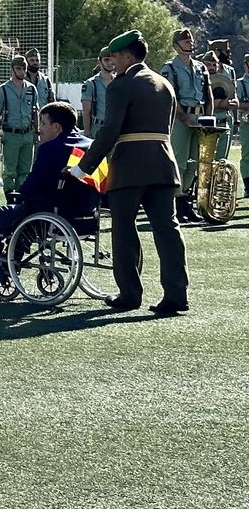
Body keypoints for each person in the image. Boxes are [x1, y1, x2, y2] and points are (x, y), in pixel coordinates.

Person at [68, 30, 189, 316]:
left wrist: (82, 167)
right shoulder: (164, 84)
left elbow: (110, 131)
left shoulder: (121, 86)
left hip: (130, 166)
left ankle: (130, 293)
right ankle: (176, 295)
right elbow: (167, 128)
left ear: (128, 56)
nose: (113, 62)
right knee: (168, 229)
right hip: (162, 164)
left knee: (123, 229)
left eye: (116, 56)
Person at [0, 102, 96, 278]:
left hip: (54, 213)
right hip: (87, 214)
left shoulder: (49, 148)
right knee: (21, 214)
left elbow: (31, 185)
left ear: (56, 127)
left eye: (43, 124)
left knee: (5, 212)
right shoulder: (90, 146)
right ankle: (0, 259)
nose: (39, 129)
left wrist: (21, 194)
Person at [160, 28, 211, 223]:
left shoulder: (200, 67)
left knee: (194, 163)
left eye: (190, 39)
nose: (189, 42)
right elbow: (171, 97)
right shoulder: (170, 68)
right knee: (179, 161)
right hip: (181, 119)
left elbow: (208, 95)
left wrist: (209, 118)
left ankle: (186, 201)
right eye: (184, 40)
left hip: (200, 118)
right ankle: (176, 203)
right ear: (175, 45)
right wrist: (184, 118)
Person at [0, 55, 40, 196]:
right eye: (18, 68)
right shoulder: (3, 90)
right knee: (10, 169)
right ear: (12, 70)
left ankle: (21, 196)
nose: (21, 71)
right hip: (11, 134)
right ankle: (9, 195)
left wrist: (36, 132)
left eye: (23, 68)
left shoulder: (31, 89)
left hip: (27, 133)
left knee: (25, 169)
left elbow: (35, 112)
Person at [82, 50, 116, 136]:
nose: (110, 63)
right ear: (99, 62)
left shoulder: (119, 82)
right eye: (106, 60)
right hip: (97, 128)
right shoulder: (90, 84)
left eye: (112, 60)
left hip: (115, 128)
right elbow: (86, 111)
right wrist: (87, 132)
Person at [237, 52, 249, 198]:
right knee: (247, 155)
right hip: (247, 122)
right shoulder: (240, 84)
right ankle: (248, 186)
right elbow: (236, 103)